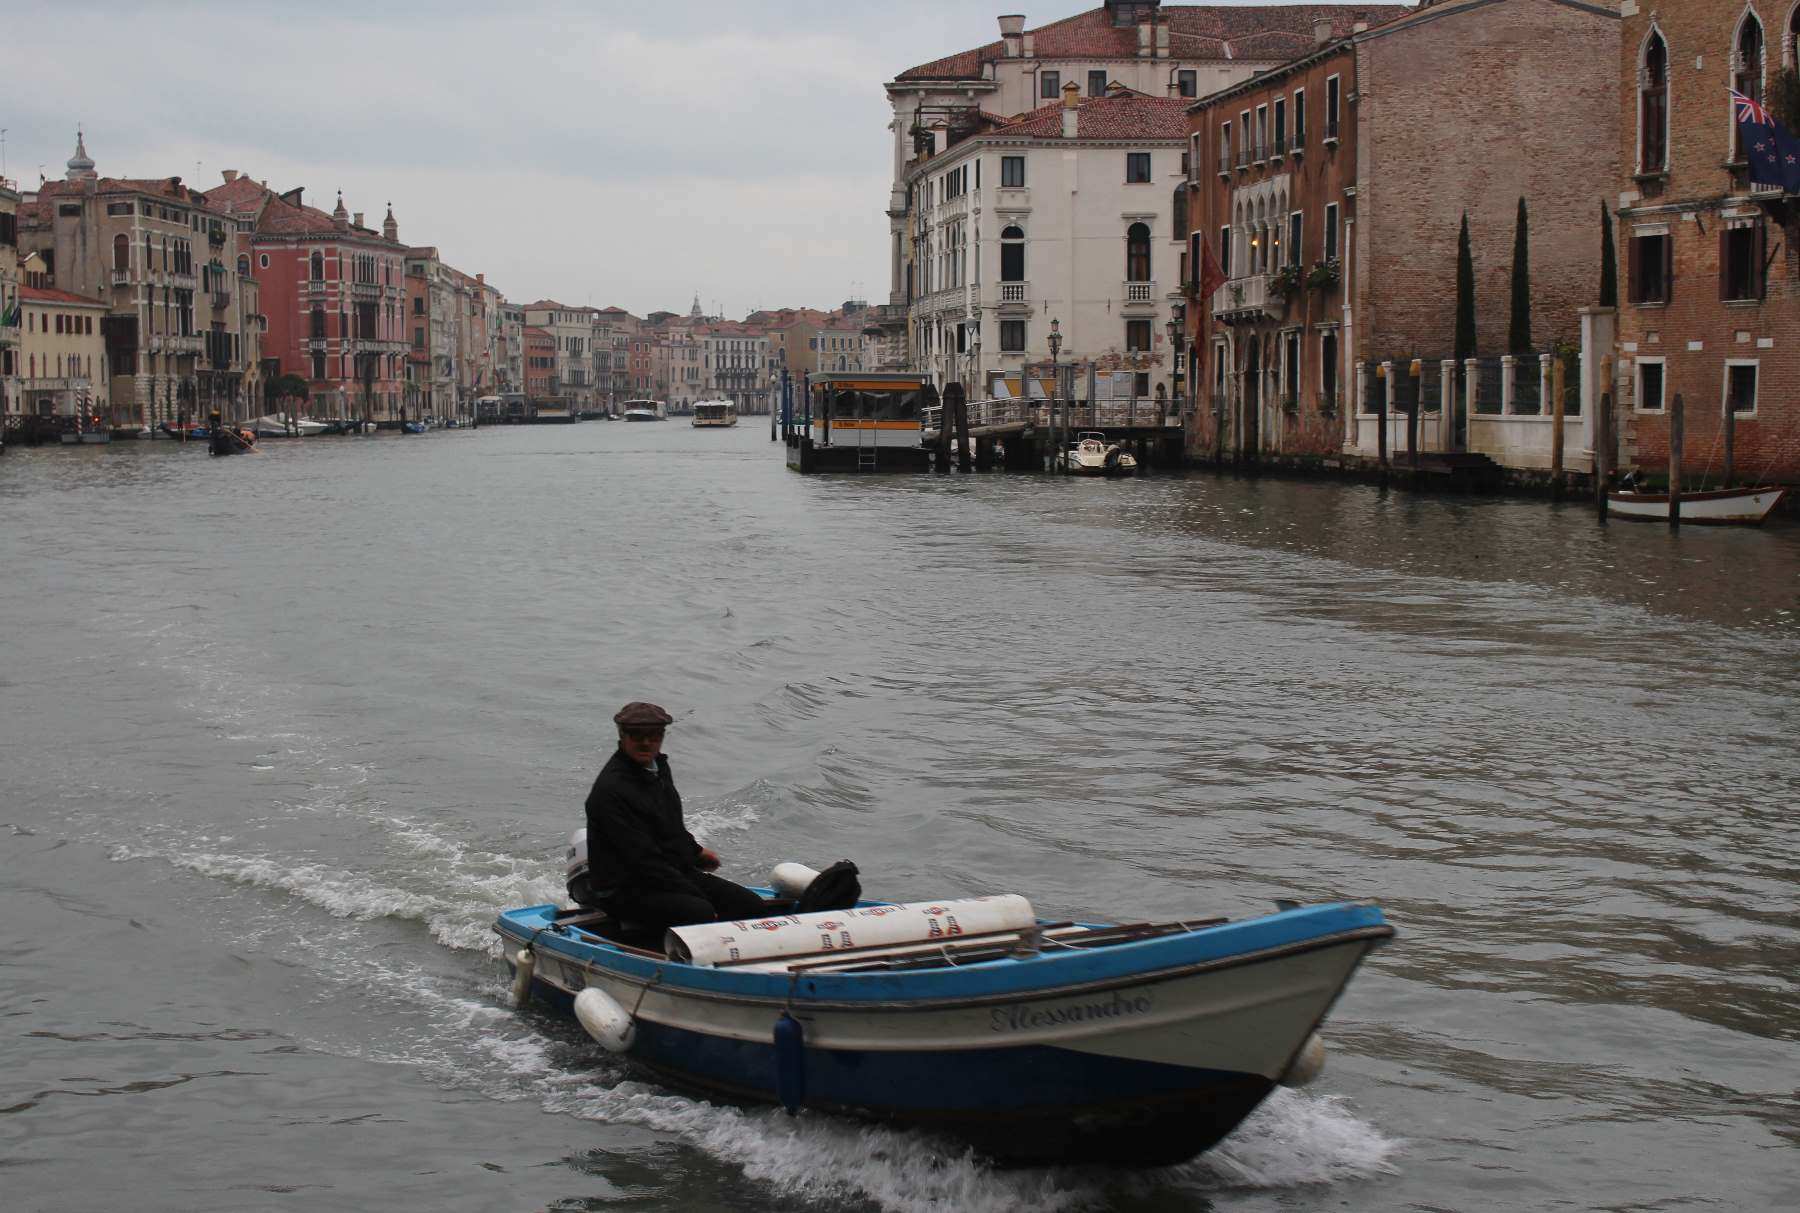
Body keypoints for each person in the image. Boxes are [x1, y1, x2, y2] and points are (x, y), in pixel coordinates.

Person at [582, 701, 767, 933]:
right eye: (637, 735)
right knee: (700, 911)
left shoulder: (657, 767)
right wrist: (696, 894)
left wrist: (696, 853)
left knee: (751, 907)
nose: (646, 742)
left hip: (666, 875)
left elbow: (671, 827)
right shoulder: (611, 792)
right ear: (622, 735)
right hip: (625, 888)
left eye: (653, 735)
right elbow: (643, 861)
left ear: (662, 735)